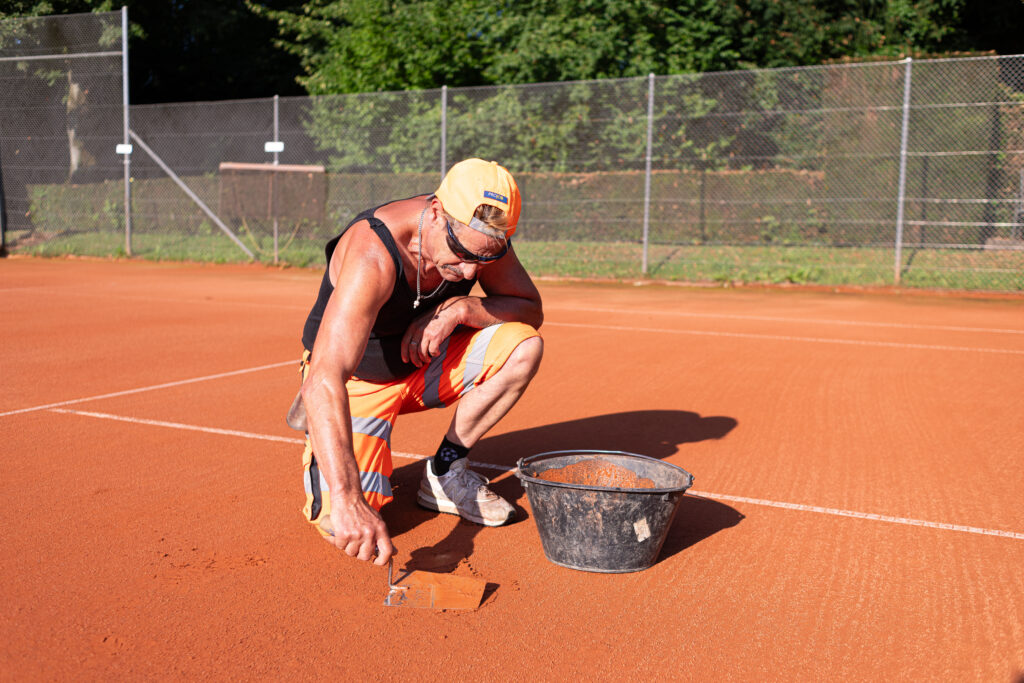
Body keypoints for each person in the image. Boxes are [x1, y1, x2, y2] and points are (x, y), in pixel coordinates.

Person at [295, 158, 544, 567]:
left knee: (524, 346)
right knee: (344, 524)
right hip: (357, 382)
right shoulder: (374, 253)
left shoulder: (483, 235)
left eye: (484, 259)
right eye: (462, 253)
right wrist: (347, 496)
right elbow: (325, 378)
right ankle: (342, 458)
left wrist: (462, 308)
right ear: (436, 212)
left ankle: (445, 471)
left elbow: (530, 309)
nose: (470, 269)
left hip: (423, 365)